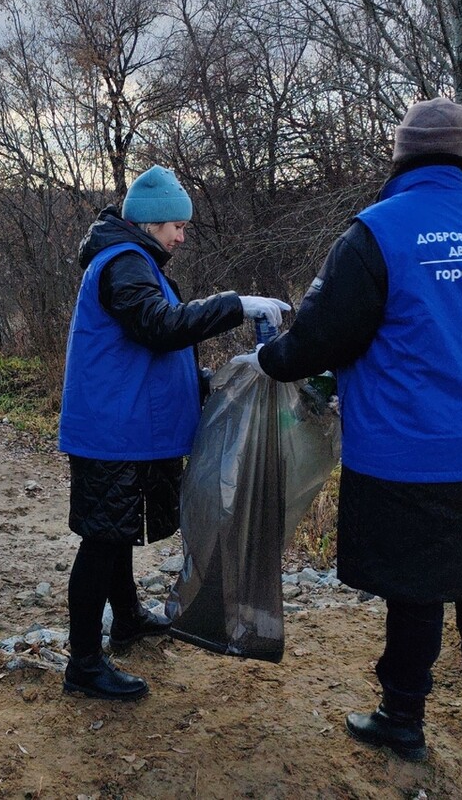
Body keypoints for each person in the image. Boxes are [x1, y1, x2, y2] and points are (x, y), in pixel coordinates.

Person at [234, 98, 462, 759]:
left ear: (400, 157)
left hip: (419, 443)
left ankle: (403, 721)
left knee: (415, 585)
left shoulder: (378, 231)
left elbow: (319, 338)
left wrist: (267, 359)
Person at [58, 164, 289, 701]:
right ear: (151, 222)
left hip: (126, 425)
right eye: (176, 227)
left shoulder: (131, 261)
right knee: (101, 541)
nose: (182, 237)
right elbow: (159, 327)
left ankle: (129, 621)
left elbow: (147, 354)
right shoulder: (124, 264)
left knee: (116, 533)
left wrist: (212, 381)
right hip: (112, 431)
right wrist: (235, 305)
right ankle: (84, 664)